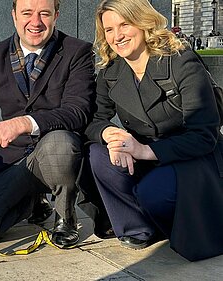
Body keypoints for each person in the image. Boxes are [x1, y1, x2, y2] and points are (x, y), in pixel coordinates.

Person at [0, 0, 96, 247]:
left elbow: (77, 111)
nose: (35, 22)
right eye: (27, 13)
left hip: (57, 152)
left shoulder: (77, 51)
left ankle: (65, 217)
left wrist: (23, 123)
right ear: (14, 15)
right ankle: (32, 201)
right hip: (13, 158)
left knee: (60, 142)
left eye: (44, 14)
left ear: (56, 15)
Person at [86, 0, 223, 261]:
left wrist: (145, 150)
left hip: (189, 158)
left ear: (143, 22)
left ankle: (176, 224)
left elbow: (203, 135)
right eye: (109, 29)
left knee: (152, 193)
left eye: (124, 24)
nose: (117, 36)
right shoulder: (111, 70)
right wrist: (109, 134)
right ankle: (139, 228)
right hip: (144, 153)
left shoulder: (181, 61)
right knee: (98, 155)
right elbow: (94, 119)